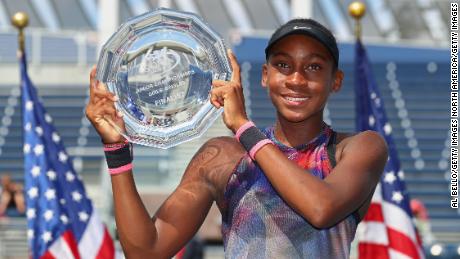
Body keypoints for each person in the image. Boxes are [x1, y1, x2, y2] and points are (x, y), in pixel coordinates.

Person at [86, 18, 388, 258]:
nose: (296, 79)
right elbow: (145, 252)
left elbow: (321, 209)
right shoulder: (221, 157)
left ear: (335, 81)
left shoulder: (359, 148)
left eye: (313, 67)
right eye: (283, 65)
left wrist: (243, 127)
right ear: (265, 75)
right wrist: (116, 149)